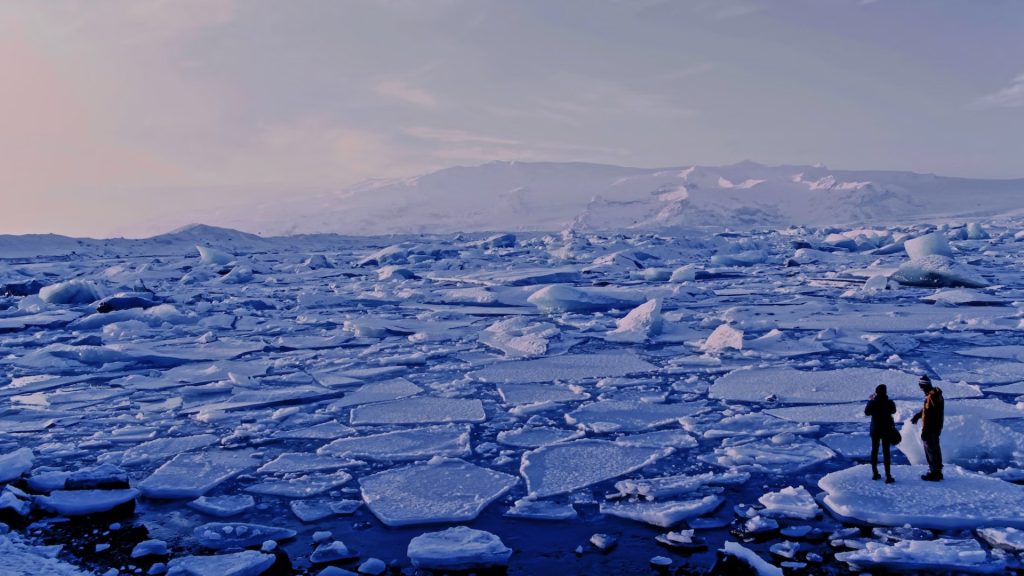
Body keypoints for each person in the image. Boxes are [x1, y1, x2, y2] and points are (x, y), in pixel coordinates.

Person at [910, 374, 944, 481]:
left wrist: (925, 430)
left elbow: (931, 415)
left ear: (924, 386)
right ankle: (937, 471)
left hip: (931, 428)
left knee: (930, 449)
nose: (920, 388)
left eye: (921, 386)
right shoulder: (934, 395)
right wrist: (918, 415)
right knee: (935, 448)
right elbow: (928, 411)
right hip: (936, 427)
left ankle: (934, 473)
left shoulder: (932, 397)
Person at [864, 384, 896, 483]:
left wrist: (871, 401)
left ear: (876, 392)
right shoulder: (889, 402)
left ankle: (875, 473)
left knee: (874, 451)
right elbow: (893, 411)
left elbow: (867, 413)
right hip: (886, 429)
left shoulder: (873, 402)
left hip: (875, 430)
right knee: (886, 452)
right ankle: (888, 475)